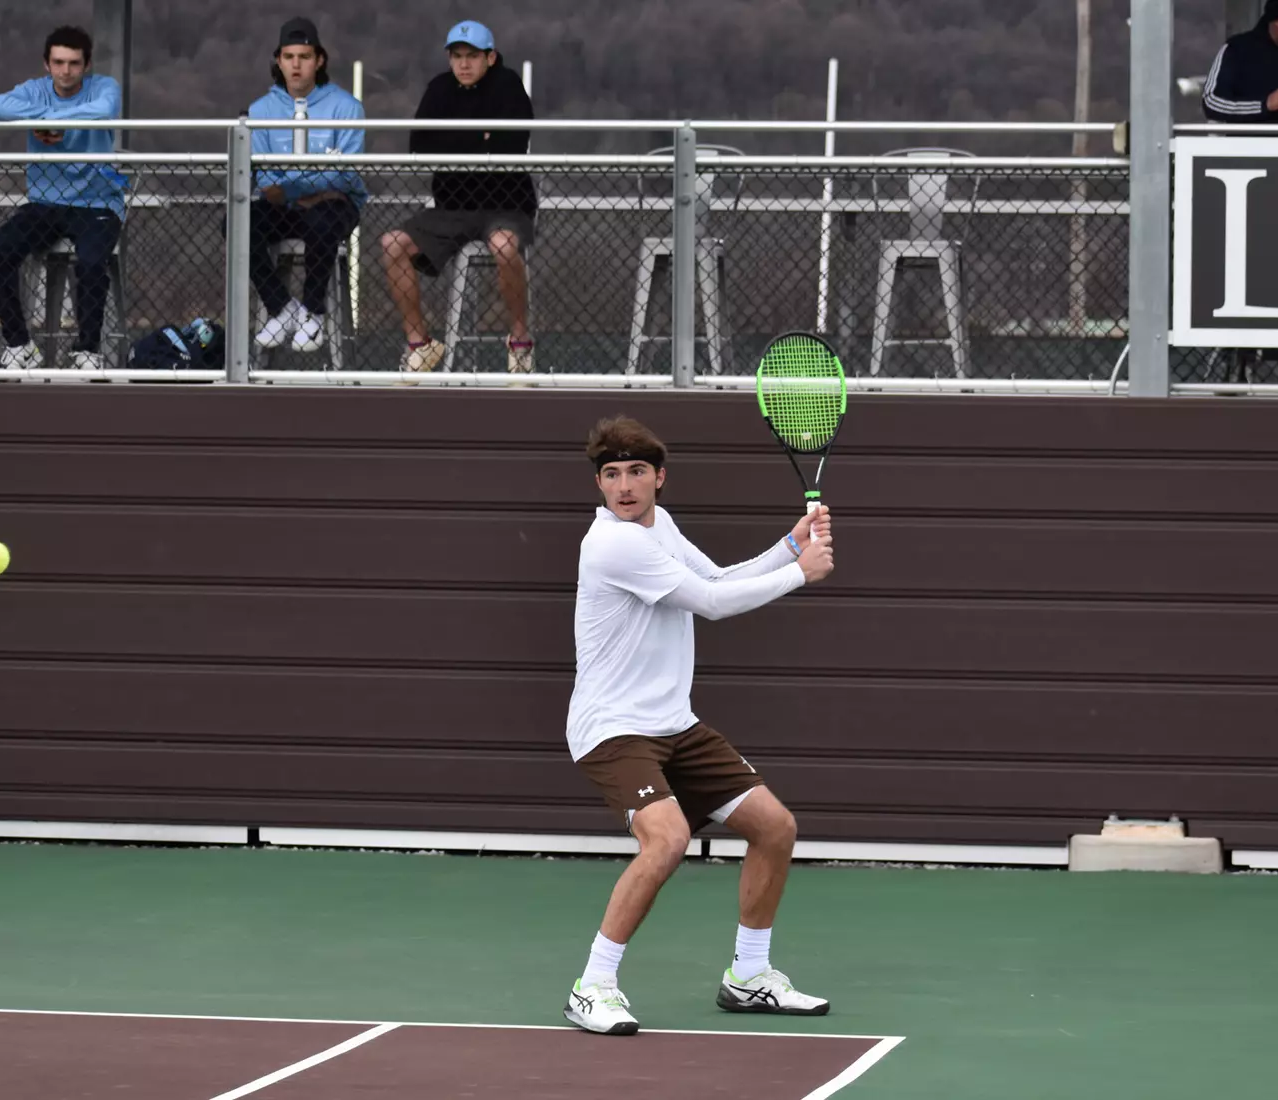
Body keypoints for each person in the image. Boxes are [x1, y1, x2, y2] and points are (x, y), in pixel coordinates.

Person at [560, 415, 835, 1037]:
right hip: (613, 727)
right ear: (600, 486)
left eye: (635, 472)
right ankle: (593, 985)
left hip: (672, 722)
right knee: (668, 839)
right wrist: (801, 573)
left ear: (659, 477)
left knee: (773, 826)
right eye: (611, 475)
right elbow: (711, 606)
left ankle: (749, 977)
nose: (624, 486)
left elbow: (711, 580)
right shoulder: (612, 542)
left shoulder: (659, 525)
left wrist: (788, 548)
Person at [379, 20, 537, 374]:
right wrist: (478, 139)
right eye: (457, 56)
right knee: (392, 244)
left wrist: (455, 140)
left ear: (491, 57)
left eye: (472, 56)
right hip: (450, 206)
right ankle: (421, 344)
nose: (463, 64)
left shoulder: (509, 85)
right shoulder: (439, 88)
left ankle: (520, 341)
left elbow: (511, 146)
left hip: (506, 205)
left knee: (503, 247)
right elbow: (419, 146)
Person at [0, 25, 128, 372]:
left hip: (98, 203)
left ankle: (88, 351)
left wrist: (51, 122)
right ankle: (19, 343)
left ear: (86, 64)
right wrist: (41, 118)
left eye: (74, 63)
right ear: (46, 64)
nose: (66, 71)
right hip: (45, 204)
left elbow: (104, 109)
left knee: (92, 263)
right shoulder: (34, 91)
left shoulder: (102, 87)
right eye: (58, 62)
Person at [243, 18, 368, 354]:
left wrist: (295, 186)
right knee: (238, 222)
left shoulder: (347, 108)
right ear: (278, 60)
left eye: (304, 56)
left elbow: (346, 175)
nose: (296, 64)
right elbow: (264, 180)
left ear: (319, 60)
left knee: (323, 219)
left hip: (335, 207)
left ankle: (313, 312)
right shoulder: (261, 110)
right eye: (288, 56)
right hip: (283, 206)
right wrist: (313, 187)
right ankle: (283, 308)